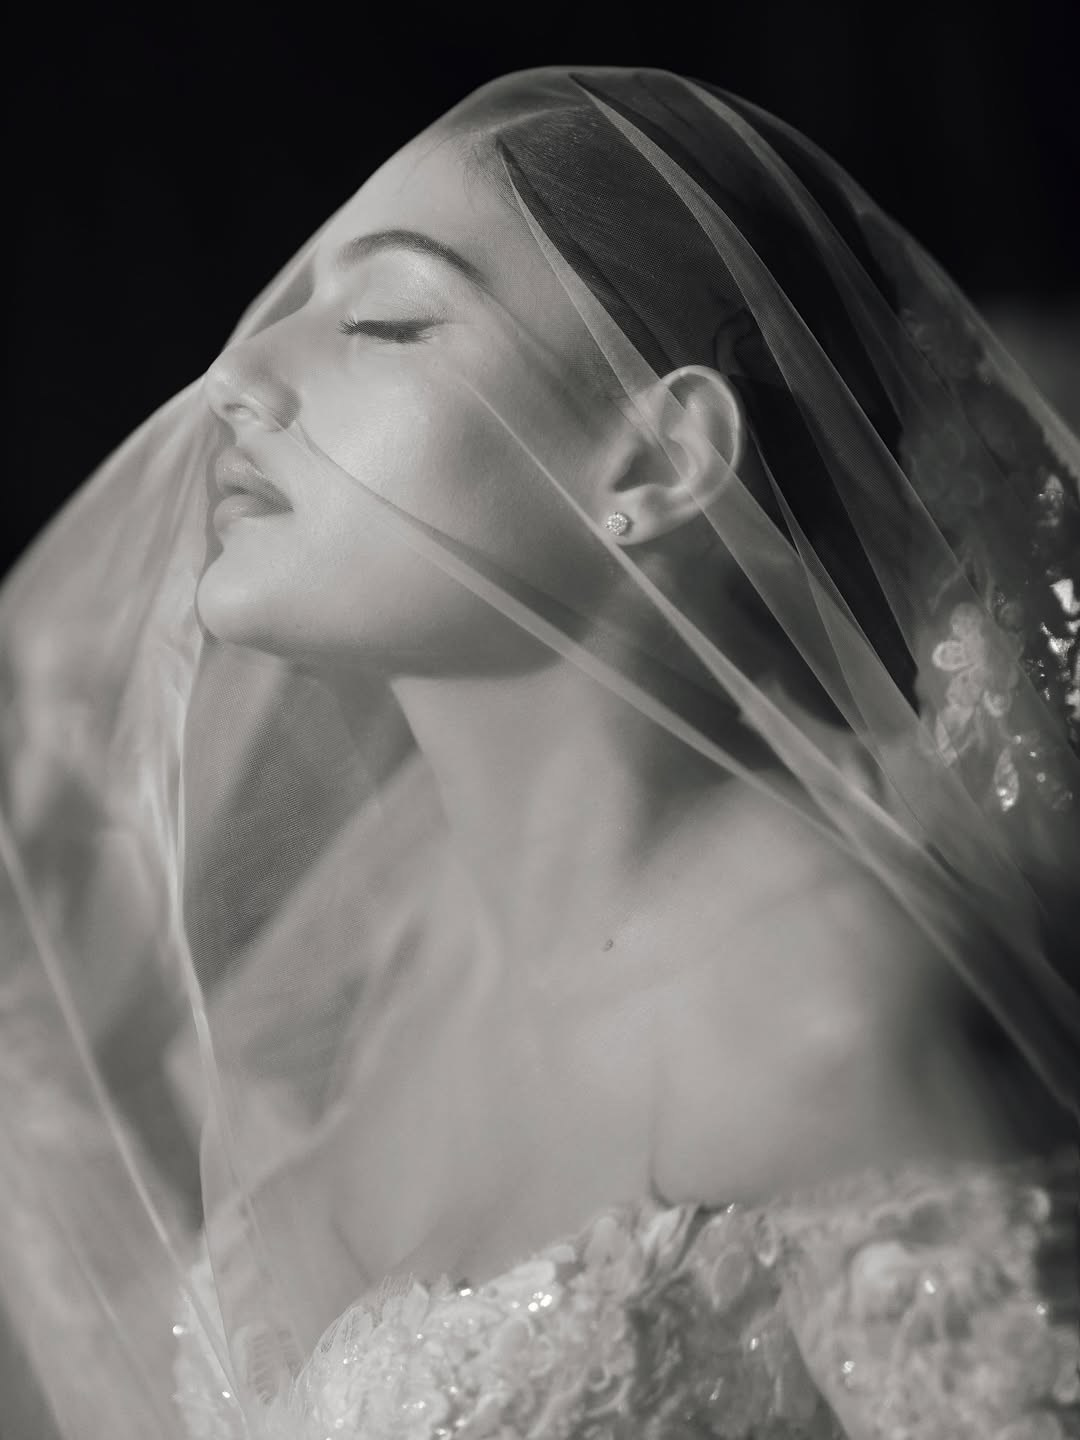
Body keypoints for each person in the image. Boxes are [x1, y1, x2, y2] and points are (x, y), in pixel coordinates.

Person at [1, 66, 1077, 1439]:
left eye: (385, 320)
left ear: (659, 462)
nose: (239, 378)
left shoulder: (826, 1007)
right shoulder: (398, 948)